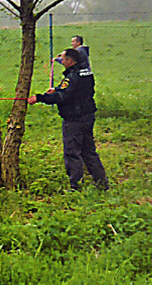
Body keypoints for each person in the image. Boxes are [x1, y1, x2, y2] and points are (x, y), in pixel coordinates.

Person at [28, 48, 108, 191]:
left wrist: (39, 98)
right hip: (87, 116)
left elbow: (63, 97)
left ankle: (75, 186)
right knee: (89, 150)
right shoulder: (86, 74)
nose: (61, 61)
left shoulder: (72, 77)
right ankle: (102, 183)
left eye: (63, 58)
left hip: (74, 119)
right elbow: (71, 91)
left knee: (72, 152)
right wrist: (57, 89)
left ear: (70, 61)